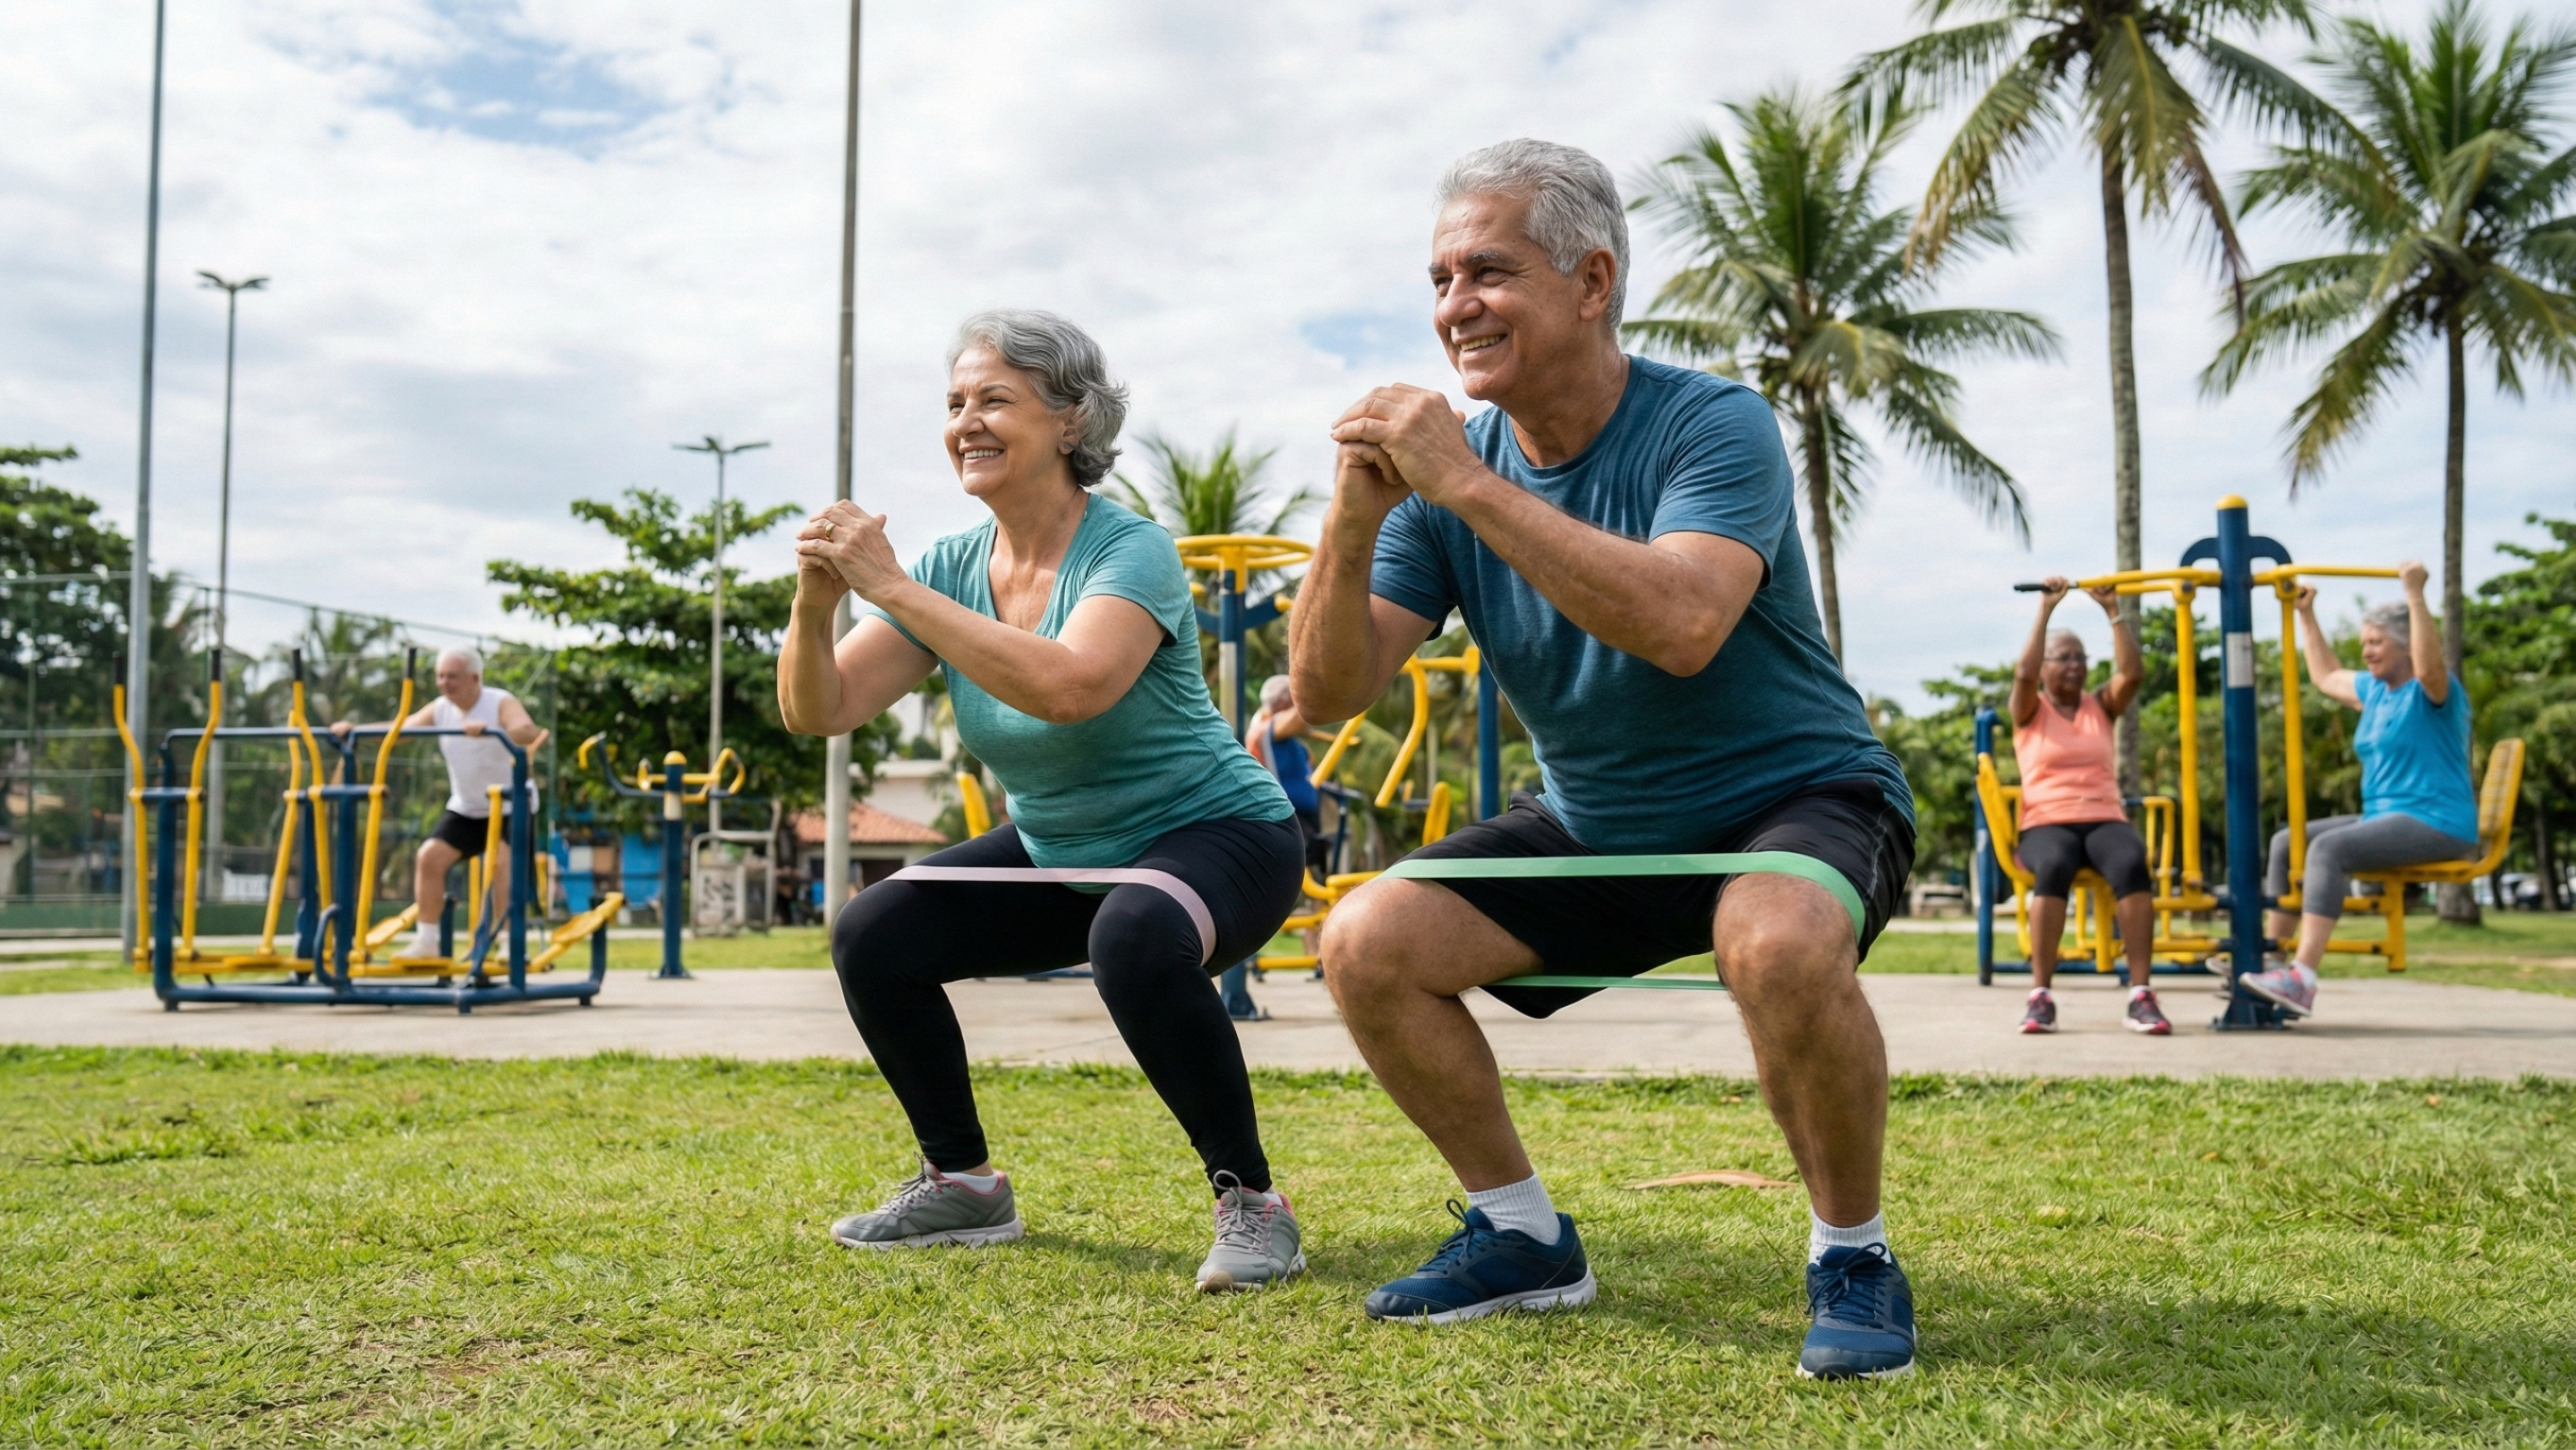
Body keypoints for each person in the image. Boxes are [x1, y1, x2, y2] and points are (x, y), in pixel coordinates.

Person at [1291, 139, 1919, 1378]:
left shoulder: (1712, 424)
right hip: (1596, 825)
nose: (1453, 305)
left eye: (1487, 270)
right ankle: (1522, 1238)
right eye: (1438, 279)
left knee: (1779, 939)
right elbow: (1325, 695)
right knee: (1366, 943)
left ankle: (1852, 1253)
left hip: (1796, 799)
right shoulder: (1437, 493)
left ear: (1591, 281)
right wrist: (1355, 516)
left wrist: (1464, 482)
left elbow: (1681, 627)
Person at [778, 309, 1309, 1292]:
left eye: (994, 399)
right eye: (954, 404)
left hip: (1221, 835)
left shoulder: (1129, 549)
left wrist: (891, 585)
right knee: (875, 931)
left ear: (1070, 421)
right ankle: (963, 1185)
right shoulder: (945, 570)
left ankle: (1252, 1205)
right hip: (1068, 846)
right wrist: (819, 601)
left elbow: (1070, 688)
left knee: (1135, 937)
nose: (966, 422)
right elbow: (823, 709)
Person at [2241, 562, 2477, 1018]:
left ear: (2406, 646)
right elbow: (2327, 676)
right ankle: (2273, 959)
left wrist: (2414, 595)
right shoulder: (2376, 691)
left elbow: (2430, 669)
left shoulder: (2433, 693)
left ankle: (2303, 979)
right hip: (2385, 817)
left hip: (2439, 821)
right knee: (2288, 841)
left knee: (2330, 850)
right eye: (2365, 643)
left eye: (2377, 643)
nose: (2367, 652)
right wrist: (2305, 615)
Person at [2006, 578, 2169, 1035]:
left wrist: (2113, 609)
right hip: (2046, 821)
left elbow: (2133, 674)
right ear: (2046, 667)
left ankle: (2141, 994)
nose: (2076, 665)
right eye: (2065, 657)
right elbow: (2022, 672)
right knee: (2054, 865)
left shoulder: (2101, 706)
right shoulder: (2029, 709)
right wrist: (2046, 609)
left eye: (2081, 657)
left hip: (2102, 817)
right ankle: (2041, 996)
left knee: (2132, 862)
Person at [332, 646, 546, 960]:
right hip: (467, 806)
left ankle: (509, 941)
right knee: (429, 857)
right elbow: (400, 732)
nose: (445, 683)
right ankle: (427, 941)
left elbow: (527, 731)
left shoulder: (498, 701)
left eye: (453, 677)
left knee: (501, 864)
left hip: (510, 804)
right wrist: (355, 730)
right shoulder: (441, 709)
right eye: (440, 677)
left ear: (475, 678)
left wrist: (495, 731)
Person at [1247, 674, 1333, 883]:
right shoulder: (1266, 727)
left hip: (1304, 814)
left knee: (1317, 872)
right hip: (1287, 814)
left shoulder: (1291, 741)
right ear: (1284, 701)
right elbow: (1303, 716)